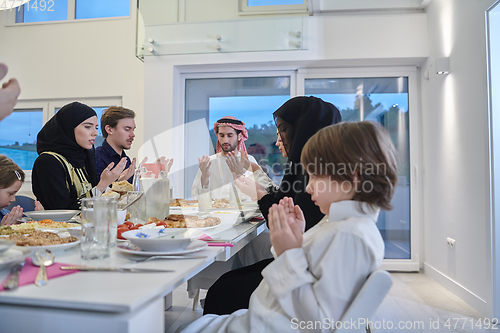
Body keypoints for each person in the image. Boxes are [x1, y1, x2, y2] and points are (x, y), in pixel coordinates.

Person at [181, 121, 397, 333]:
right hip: (262, 318)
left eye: (315, 175)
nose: (308, 185)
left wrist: (288, 252)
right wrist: (297, 238)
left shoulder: (351, 236)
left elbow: (317, 323)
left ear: (352, 177)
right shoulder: (341, 225)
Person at [202, 96, 342, 315]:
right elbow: (287, 201)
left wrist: (255, 190)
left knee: (222, 290)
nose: (278, 140)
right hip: (303, 267)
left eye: (283, 130)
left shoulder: (317, 176)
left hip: (305, 276)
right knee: (226, 280)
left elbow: (287, 215)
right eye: (221, 135)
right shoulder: (311, 170)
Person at [32, 102, 127, 210]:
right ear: (69, 127)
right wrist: (102, 185)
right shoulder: (48, 162)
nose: (95, 133)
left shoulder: (84, 157)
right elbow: (61, 210)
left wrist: (115, 183)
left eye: (96, 127)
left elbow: (95, 202)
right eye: (88, 127)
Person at [192, 116, 271, 201]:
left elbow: (259, 196)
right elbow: (196, 197)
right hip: (216, 213)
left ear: (239, 136)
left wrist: (240, 175)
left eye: (230, 135)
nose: (225, 140)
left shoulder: (248, 160)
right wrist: (205, 177)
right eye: (221, 135)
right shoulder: (209, 162)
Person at [95, 106, 137, 183]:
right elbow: (96, 193)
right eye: (127, 129)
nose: (132, 134)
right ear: (109, 129)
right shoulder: (96, 157)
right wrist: (120, 182)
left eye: (133, 130)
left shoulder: (127, 160)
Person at [0, 155, 43, 226]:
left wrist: (40, 222)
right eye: (10, 194)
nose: (13, 199)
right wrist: (3, 231)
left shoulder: (7, 215)